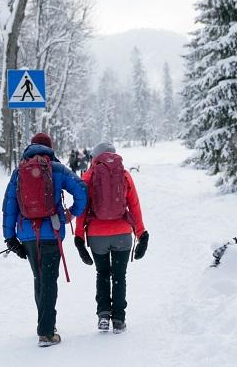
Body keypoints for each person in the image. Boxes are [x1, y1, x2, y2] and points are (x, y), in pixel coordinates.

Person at [2, 133, 88, 347]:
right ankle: (47, 332)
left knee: (39, 279)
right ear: (50, 148)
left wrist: (9, 237)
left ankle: (45, 324)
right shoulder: (57, 169)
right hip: (52, 231)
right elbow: (82, 191)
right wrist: (72, 213)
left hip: (27, 234)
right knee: (49, 280)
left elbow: (9, 205)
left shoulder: (19, 172)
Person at [74, 141, 149, 334]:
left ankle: (103, 316)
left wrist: (79, 237)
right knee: (119, 277)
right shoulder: (124, 174)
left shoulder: (88, 176)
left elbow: (82, 210)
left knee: (102, 274)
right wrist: (142, 234)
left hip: (97, 235)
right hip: (122, 234)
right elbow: (134, 205)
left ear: (94, 157)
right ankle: (118, 319)